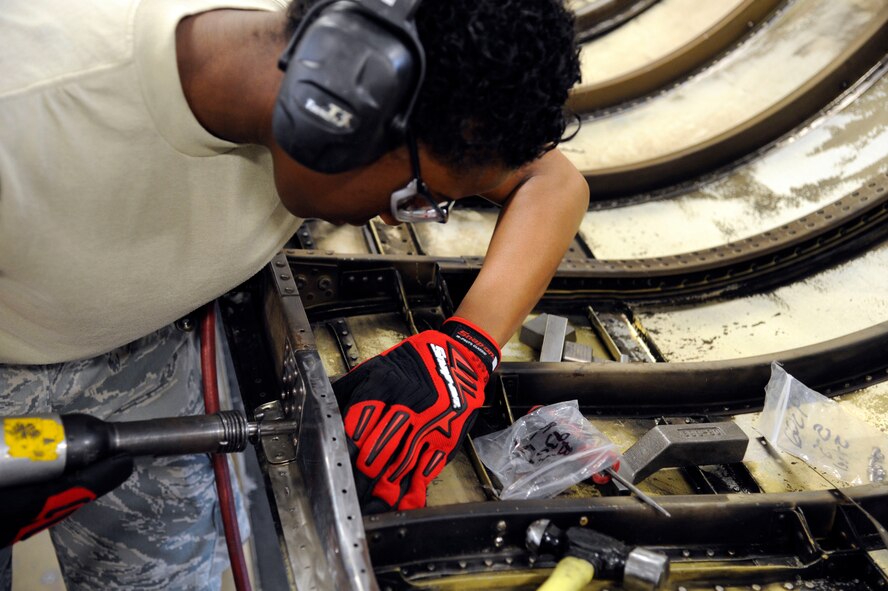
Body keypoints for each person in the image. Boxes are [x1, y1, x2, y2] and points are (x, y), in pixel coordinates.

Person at [0, 0, 586, 587]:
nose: (394, 222)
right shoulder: (27, 111)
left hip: (147, 338)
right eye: (417, 198)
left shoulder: (370, 68)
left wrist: (465, 347)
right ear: (338, 118)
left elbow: (553, 181)